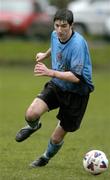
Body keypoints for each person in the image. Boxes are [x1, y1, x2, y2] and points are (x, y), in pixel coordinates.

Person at [15, 9, 94, 168]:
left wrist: (49, 72)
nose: (59, 30)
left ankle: (45, 158)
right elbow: (55, 46)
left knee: (56, 138)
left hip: (77, 93)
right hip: (57, 85)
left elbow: (76, 77)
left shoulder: (78, 44)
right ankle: (33, 126)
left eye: (63, 26)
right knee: (31, 113)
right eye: (57, 25)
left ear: (71, 26)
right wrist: (45, 54)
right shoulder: (54, 35)